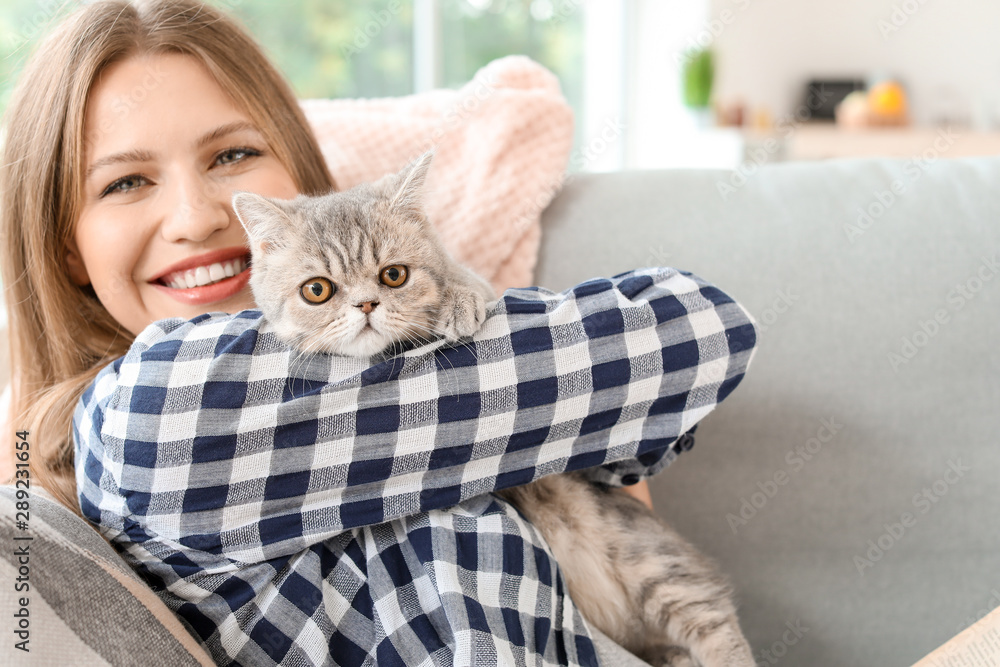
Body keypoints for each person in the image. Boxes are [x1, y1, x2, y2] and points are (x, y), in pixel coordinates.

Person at [1, 1, 758, 665]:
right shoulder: (157, 414)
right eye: (125, 181)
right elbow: (690, 337)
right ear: (65, 244)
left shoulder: (370, 338)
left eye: (233, 154)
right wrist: (561, 409)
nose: (200, 216)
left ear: (297, 175)